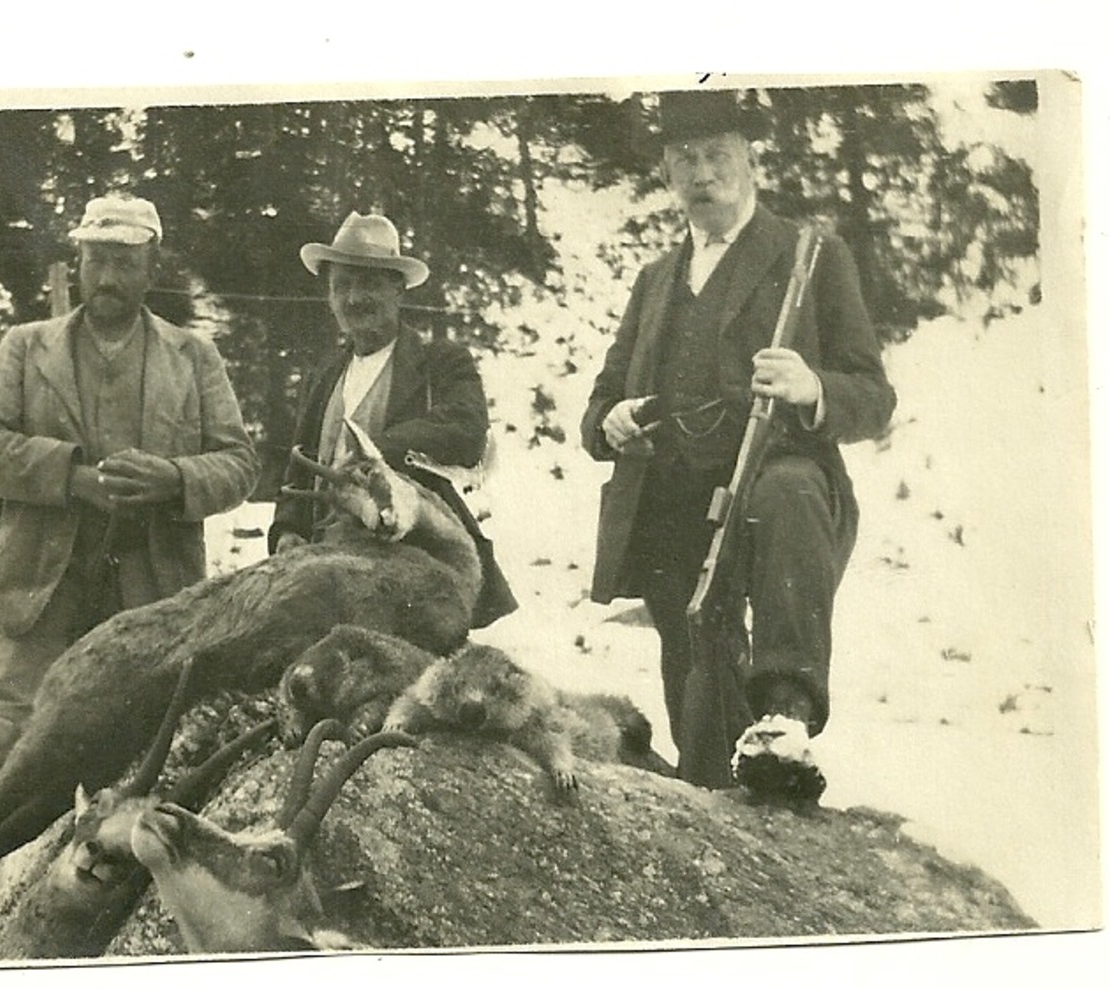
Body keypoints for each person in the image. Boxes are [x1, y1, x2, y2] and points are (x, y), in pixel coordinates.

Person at [580, 91, 896, 800]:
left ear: (749, 162)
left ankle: (785, 716)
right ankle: (723, 786)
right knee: (693, 684)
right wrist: (612, 420)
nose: (702, 172)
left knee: (785, 493)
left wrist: (812, 386)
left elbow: (871, 396)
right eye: (684, 159)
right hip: (670, 496)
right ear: (666, 174)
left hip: (775, 475)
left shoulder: (811, 257)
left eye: (717, 155)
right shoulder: (654, 280)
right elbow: (597, 404)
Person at [0, 194, 259, 840]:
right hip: (40, 594)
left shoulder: (193, 358)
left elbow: (241, 464)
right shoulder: (26, 348)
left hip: (153, 603)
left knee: (139, 753)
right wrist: (71, 477)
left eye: (124, 263)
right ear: (76, 263)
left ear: (151, 267)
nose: (107, 278)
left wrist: (175, 479)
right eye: (95, 260)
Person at [269, 211, 516, 628]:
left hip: (412, 577)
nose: (353, 298)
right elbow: (299, 466)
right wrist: (287, 529)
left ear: (398, 288)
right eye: (341, 286)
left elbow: (466, 429)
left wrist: (374, 452)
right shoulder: (326, 375)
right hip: (323, 577)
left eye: (368, 283)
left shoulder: (442, 362)